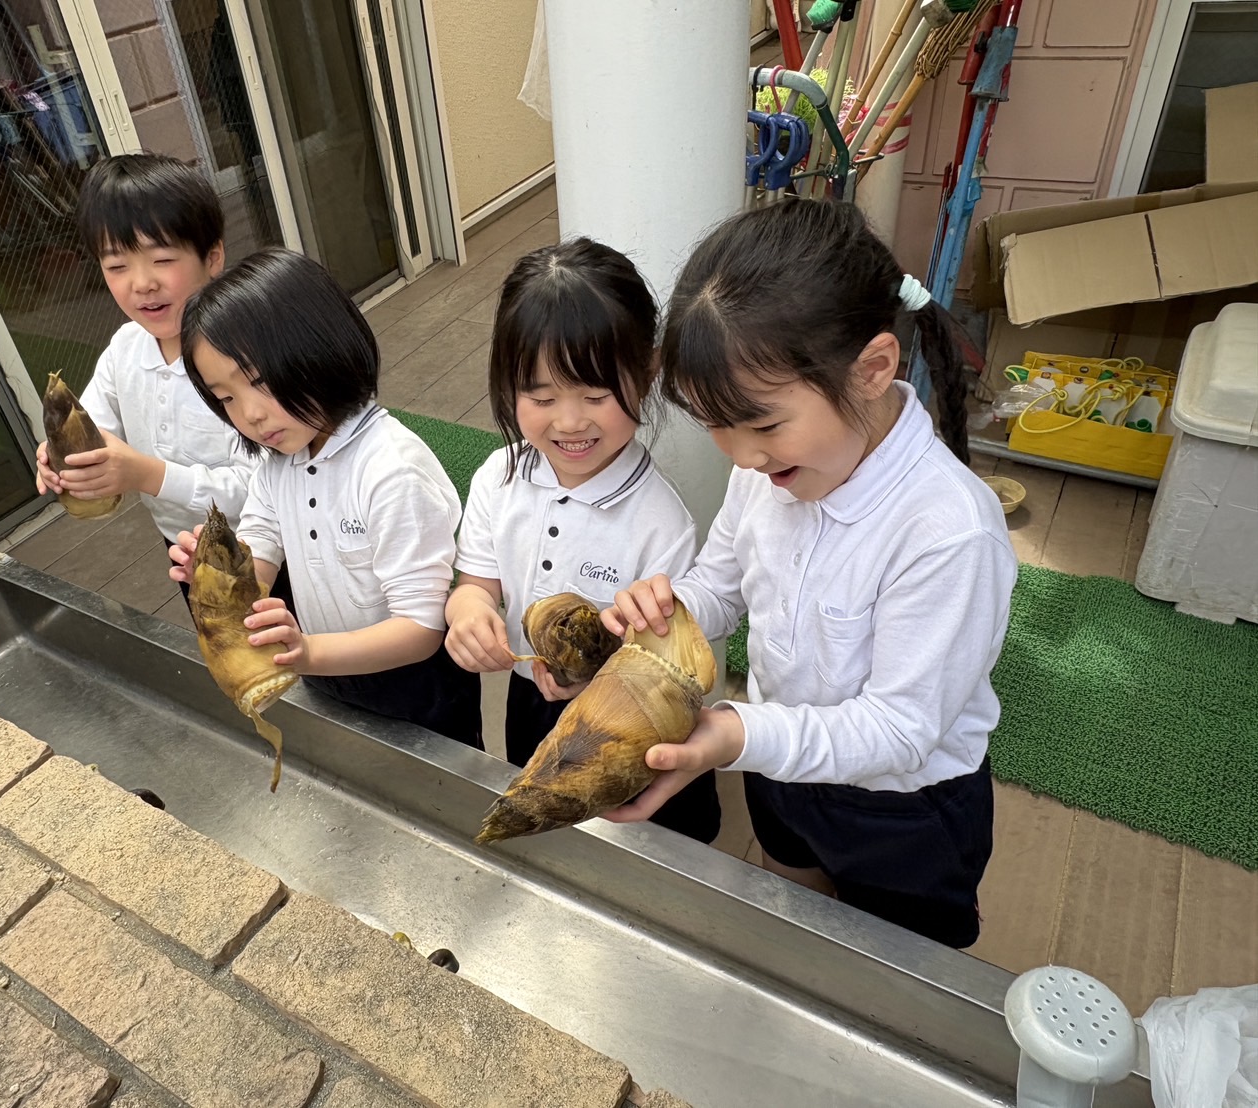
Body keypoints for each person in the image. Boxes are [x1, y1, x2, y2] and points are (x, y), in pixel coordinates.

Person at [603, 199, 1016, 948]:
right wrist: (665, 609)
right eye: (715, 425)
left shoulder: (948, 532)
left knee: (893, 967)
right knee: (791, 912)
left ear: (873, 369)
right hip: (776, 762)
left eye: (762, 423)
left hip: (901, 808)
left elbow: (899, 730)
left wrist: (734, 734)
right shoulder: (765, 471)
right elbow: (720, 584)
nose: (741, 455)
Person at [444, 238, 721, 843]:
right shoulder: (498, 478)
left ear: (647, 373)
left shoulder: (660, 522)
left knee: (646, 842)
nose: (569, 422)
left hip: (630, 727)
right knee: (550, 829)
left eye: (595, 396)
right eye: (541, 398)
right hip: (531, 702)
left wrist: (594, 680)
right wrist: (467, 613)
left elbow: (668, 665)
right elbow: (476, 584)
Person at [167, 248, 482, 747]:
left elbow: (421, 629)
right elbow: (262, 544)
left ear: (321, 348)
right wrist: (223, 574)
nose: (249, 414)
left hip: (416, 696)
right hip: (323, 673)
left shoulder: (391, 470)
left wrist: (310, 652)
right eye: (226, 397)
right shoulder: (279, 461)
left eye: (259, 381)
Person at [36, 153, 255, 602]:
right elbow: (94, 426)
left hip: (269, 547)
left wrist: (146, 474)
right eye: (117, 266)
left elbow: (262, 487)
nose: (141, 283)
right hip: (183, 547)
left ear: (213, 257)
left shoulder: (245, 358)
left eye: (162, 259)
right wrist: (63, 458)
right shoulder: (126, 348)